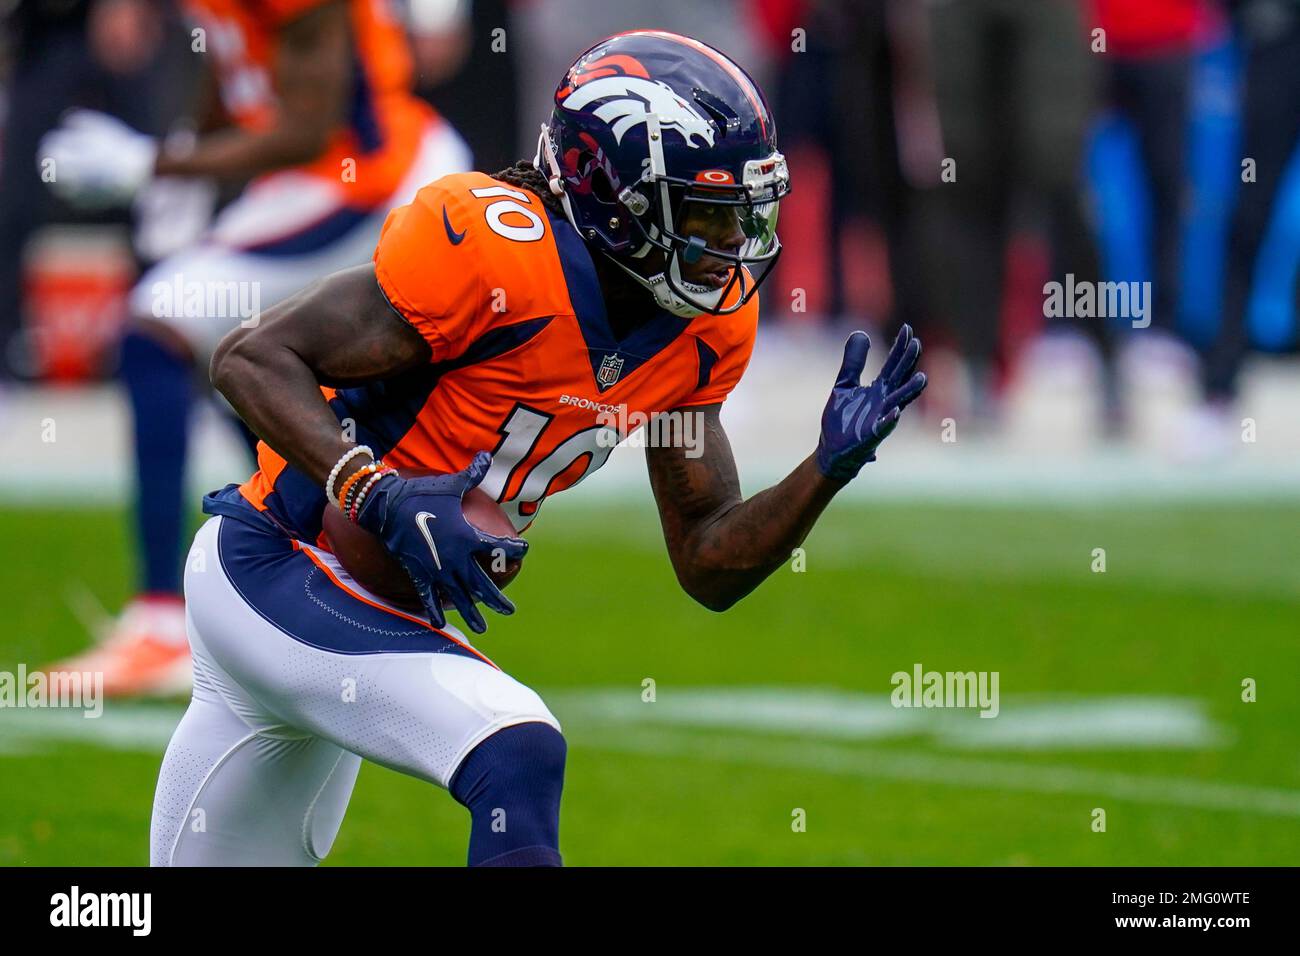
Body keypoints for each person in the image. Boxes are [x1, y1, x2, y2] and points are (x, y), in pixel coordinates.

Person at [148, 31, 927, 866]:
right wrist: (375, 491)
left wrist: (824, 472)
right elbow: (249, 358)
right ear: (607, 189)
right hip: (278, 567)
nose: (728, 243)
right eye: (701, 213)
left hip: (364, 608)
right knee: (517, 748)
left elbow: (707, 559)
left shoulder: (700, 328)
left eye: (737, 213)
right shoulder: (493, 254)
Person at [37, 0, 471, 696]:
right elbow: (240, 68)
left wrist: (160, 164)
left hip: (371, 174)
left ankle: (161, 623)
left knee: (158, 329)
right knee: (241, 358)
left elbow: (305, 128)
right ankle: (306, 561)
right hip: (327, 172)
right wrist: (189, 146)